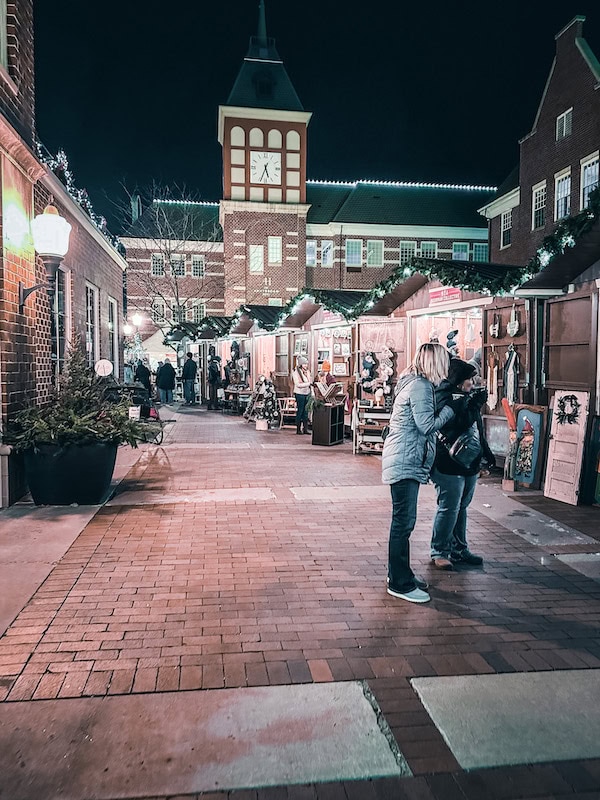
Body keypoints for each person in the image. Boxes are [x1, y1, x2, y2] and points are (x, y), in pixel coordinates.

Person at [381, 343, 455, 604]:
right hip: (405, 460)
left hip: (404, 458)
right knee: (403, 522)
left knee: (403, 521)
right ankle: (400, 583)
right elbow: (426, 425)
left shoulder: (410, 381)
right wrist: (449, 411)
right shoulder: (421, 386)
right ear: (436, 363)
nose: (448, 367)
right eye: (445, 362)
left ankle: (400, 575)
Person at [430, 358, 495, 570]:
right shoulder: (444, 397)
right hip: (448, 461)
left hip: (469, 462)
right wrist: (471, 405)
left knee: (461, 507)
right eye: (469, 379)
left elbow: (476, 429)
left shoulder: (466, 396)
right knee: (449, 507)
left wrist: (485, 454)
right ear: (459, 380)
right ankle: (439, 551)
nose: (472, 383)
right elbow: (453, 425)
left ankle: (459, 549)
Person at [292, 356, 312, 435]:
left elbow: (310, 381)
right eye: (304, 364)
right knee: (300, 411)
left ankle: (305, 429)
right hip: (299, 394)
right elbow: (297, 384)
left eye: (306, 364)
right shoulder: (296, 373)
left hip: (307, 393)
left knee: (306, 411)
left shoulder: (307, 372)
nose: (306, 366)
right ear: (300, 364)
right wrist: (308, 384)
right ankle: (298, 429)